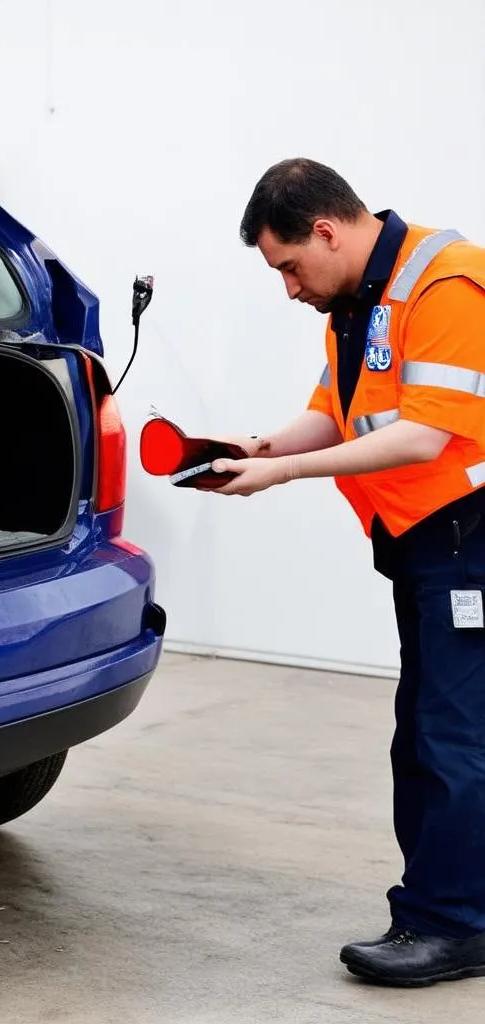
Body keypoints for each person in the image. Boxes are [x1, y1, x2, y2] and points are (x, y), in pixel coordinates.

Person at [212, 158, 485, 987]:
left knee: (454, 736)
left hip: (469, 539)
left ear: (326, 231)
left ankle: (454, 925)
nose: (290, 289)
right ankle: (438, 910)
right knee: (426, 731)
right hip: (422, 544)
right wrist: (258, 448)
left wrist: (292, 474)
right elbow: (337, 407)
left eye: (290, 266)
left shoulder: (446, 282)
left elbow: (424, 437)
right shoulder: (360, 297)